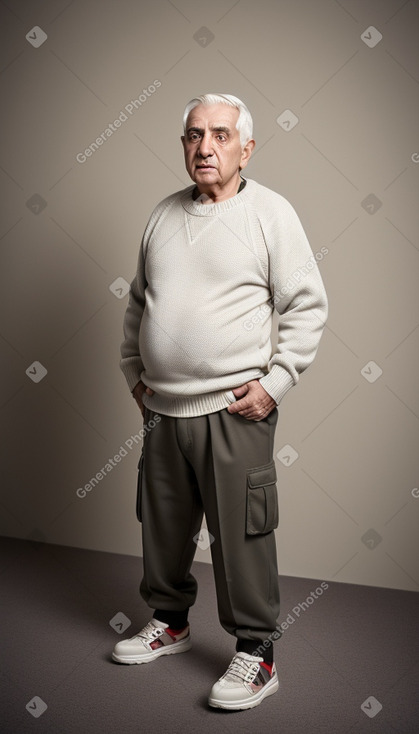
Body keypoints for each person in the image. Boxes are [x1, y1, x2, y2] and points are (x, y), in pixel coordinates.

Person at [112, 93, 328, 711]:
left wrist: (277, 381)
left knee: (243, 535)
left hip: (235, 411)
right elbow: (138, 304)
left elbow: (308, 304)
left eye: (221, 135)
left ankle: (257, 655)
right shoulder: (161, 215)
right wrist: (135, 371)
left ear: (246, 147)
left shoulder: (270, 214)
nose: (205, 147)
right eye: (193, 135)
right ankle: (170, 622)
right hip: (163, 413)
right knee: (163, 525)